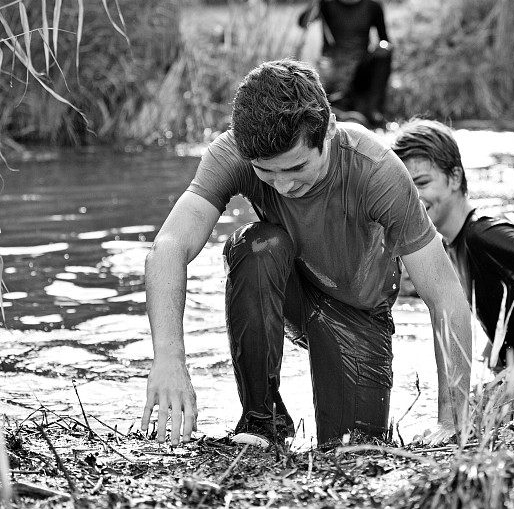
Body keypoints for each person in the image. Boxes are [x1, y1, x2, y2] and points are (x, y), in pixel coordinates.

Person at [140, 60, 472, 448]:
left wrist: (453, 421)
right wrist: (168, 359)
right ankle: (263, 423)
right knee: (257, 245)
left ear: (328, 130)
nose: (282, 185)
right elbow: (168, 248)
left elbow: (445, 295)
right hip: (290, 290)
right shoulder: (233, 154)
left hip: (359, 315)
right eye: (267, 172)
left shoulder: (377, 170)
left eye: (296, 167)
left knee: (352, 449)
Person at [392, 119, 514, 395]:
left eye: (423, 182)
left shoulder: (484, 235)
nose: (415, 197)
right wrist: (495, 356)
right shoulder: (452, 243)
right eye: (406, 188)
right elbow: (510, 299)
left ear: (455, 178)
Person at [298, 0, 392, 127]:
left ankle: (375, 110)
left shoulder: (373, 6)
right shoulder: (327, 3)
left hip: (361, 65)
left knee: (385, 53)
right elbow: (303, 22)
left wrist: (381, 48)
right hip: (333, 66)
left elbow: (385, 39)